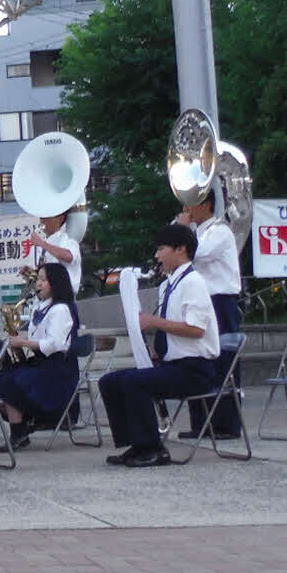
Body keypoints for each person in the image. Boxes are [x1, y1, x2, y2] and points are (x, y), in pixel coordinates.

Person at [99, 224, 221, 468]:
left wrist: (154, 322)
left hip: (196, 370)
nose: (157, 256)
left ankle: (154, 449)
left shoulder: (193, 282)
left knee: (135, 383)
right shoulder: (169, 285)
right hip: (175, 365)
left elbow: (195, 329)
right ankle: (137, 444)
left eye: (161, 249)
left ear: (181, 250)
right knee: (109, 381)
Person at [0, 261, 81, 451]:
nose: (38, 284)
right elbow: (38, 340)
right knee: (0, 380)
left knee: (13, 382)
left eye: (43, 280)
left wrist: (22, 343)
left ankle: (22, 429)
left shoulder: (61, 309)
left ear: (55, 282)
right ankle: (22, 427)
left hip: (58, 370)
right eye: (37, 279)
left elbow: (53, 344)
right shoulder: (41, 308)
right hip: (41, 364)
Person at [177, 189, 244, 438]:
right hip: (199, 300)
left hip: (220, 302)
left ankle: (226, 424)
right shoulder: (197, 232)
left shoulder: (220, 231)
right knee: (197, 357)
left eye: (191, 204)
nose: (186, 210)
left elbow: (197, 254)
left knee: (223, 360)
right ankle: (202, 423)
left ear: (206, 205)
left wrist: (183, 232)